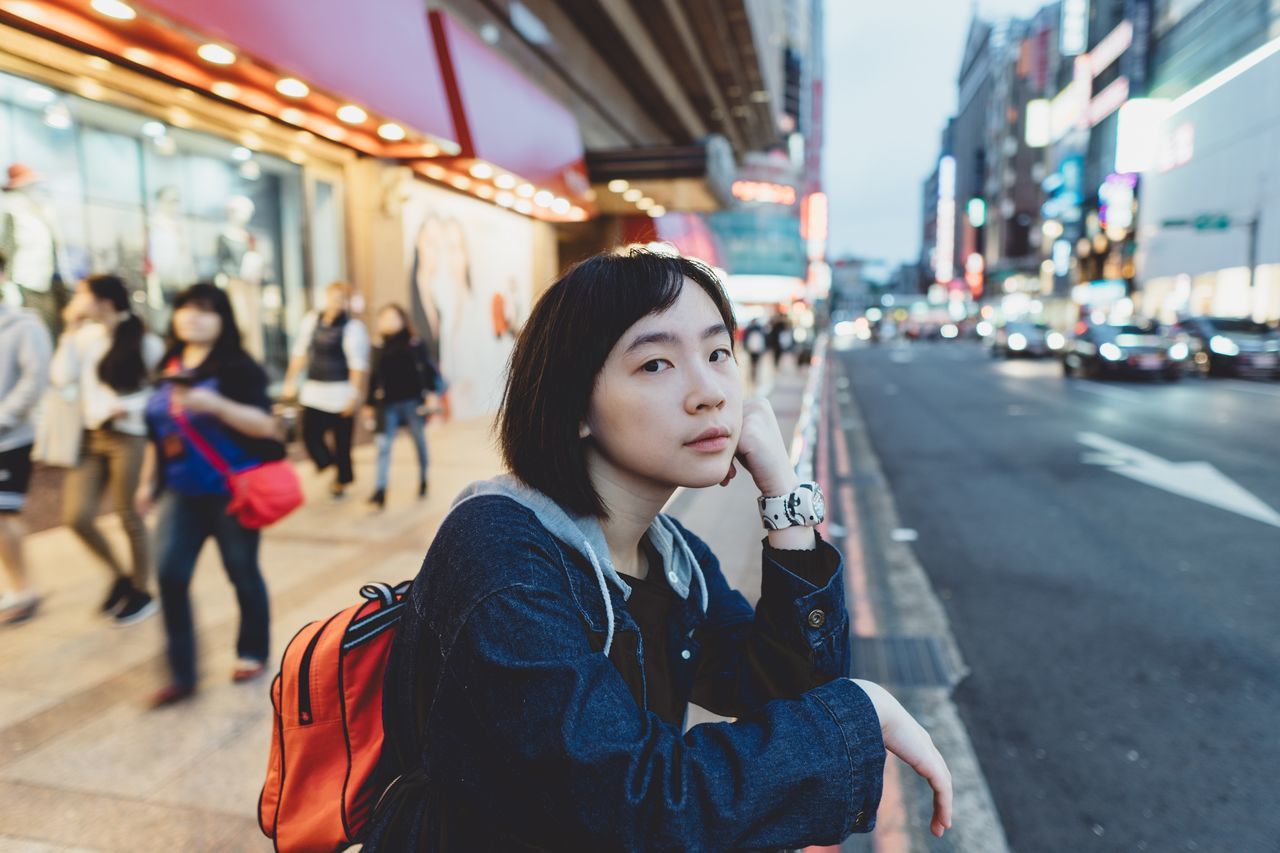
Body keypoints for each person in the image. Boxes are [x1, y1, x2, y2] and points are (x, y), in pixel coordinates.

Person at [365, 249, 951, 850]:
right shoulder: (497, 550)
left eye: (718, 353)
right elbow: (634, 804)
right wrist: (863, 713)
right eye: (655, 364)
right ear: (574, 407)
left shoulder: (674, 557)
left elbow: (780, 691)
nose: (709, 393)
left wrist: (785, 497)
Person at [137, 283, 284, 707]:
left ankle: (252, 649)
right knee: (169, 573)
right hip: (179, 492)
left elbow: (266, 426)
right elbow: (158, 431)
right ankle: (182, 673)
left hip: (231, 491)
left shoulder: (239, 368)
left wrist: (215, 405)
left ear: (223, 319)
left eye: (205, 310)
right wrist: (148, 482)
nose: (193, 317)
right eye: (185, 307)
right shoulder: (168, 364)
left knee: (242, 571)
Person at [51, 274, 165, 625]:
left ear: (103, 300)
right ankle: (120, 576)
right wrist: (69, 327)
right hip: (90, 438)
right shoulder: (85, 337)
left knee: (129, 515)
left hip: (127, 436)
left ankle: (142, 590)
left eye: (82, 294)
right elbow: (60, 377)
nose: (77, 299)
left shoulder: (145, 341)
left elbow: (161, 393)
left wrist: (126, 407)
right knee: (77, 516)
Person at [0, 251, 52, 624]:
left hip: (10, 436)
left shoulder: (22, 324)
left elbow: (35, 380)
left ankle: (23, 589)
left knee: (4, 512)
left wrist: (4, 418)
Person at [282, 281, 369, 500]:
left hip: (340, 392)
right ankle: (328, 464)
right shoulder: (312, 321)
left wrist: (353, 395)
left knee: (342, 442)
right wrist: (290, 380)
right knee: (310, 434)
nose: (336, 302)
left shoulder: (352, 328)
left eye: (342, 298)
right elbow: (300, 352)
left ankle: (341, 481)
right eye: (333, 296)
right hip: (314, 391)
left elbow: (356, 365)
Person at [363, 304, 445, 509]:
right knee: (383, 446)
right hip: (386, 404)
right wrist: (368, 404)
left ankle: (423, 479)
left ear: (402, 320)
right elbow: (373, 376)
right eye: (384, 318)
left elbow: (427, 371)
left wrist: (430, 396)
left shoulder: (415, 343)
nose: (388, 322)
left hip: (412, 402)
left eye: (393, 317)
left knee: (419, 443)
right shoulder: (378, 346)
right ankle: (380, 490)